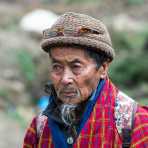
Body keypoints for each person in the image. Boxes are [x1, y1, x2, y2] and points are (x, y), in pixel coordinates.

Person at [23, 12, 148, 148]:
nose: (65, 79)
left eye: (76, 67)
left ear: (103, 68)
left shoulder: (135, 124)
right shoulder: (39, 128)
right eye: (57, 67)